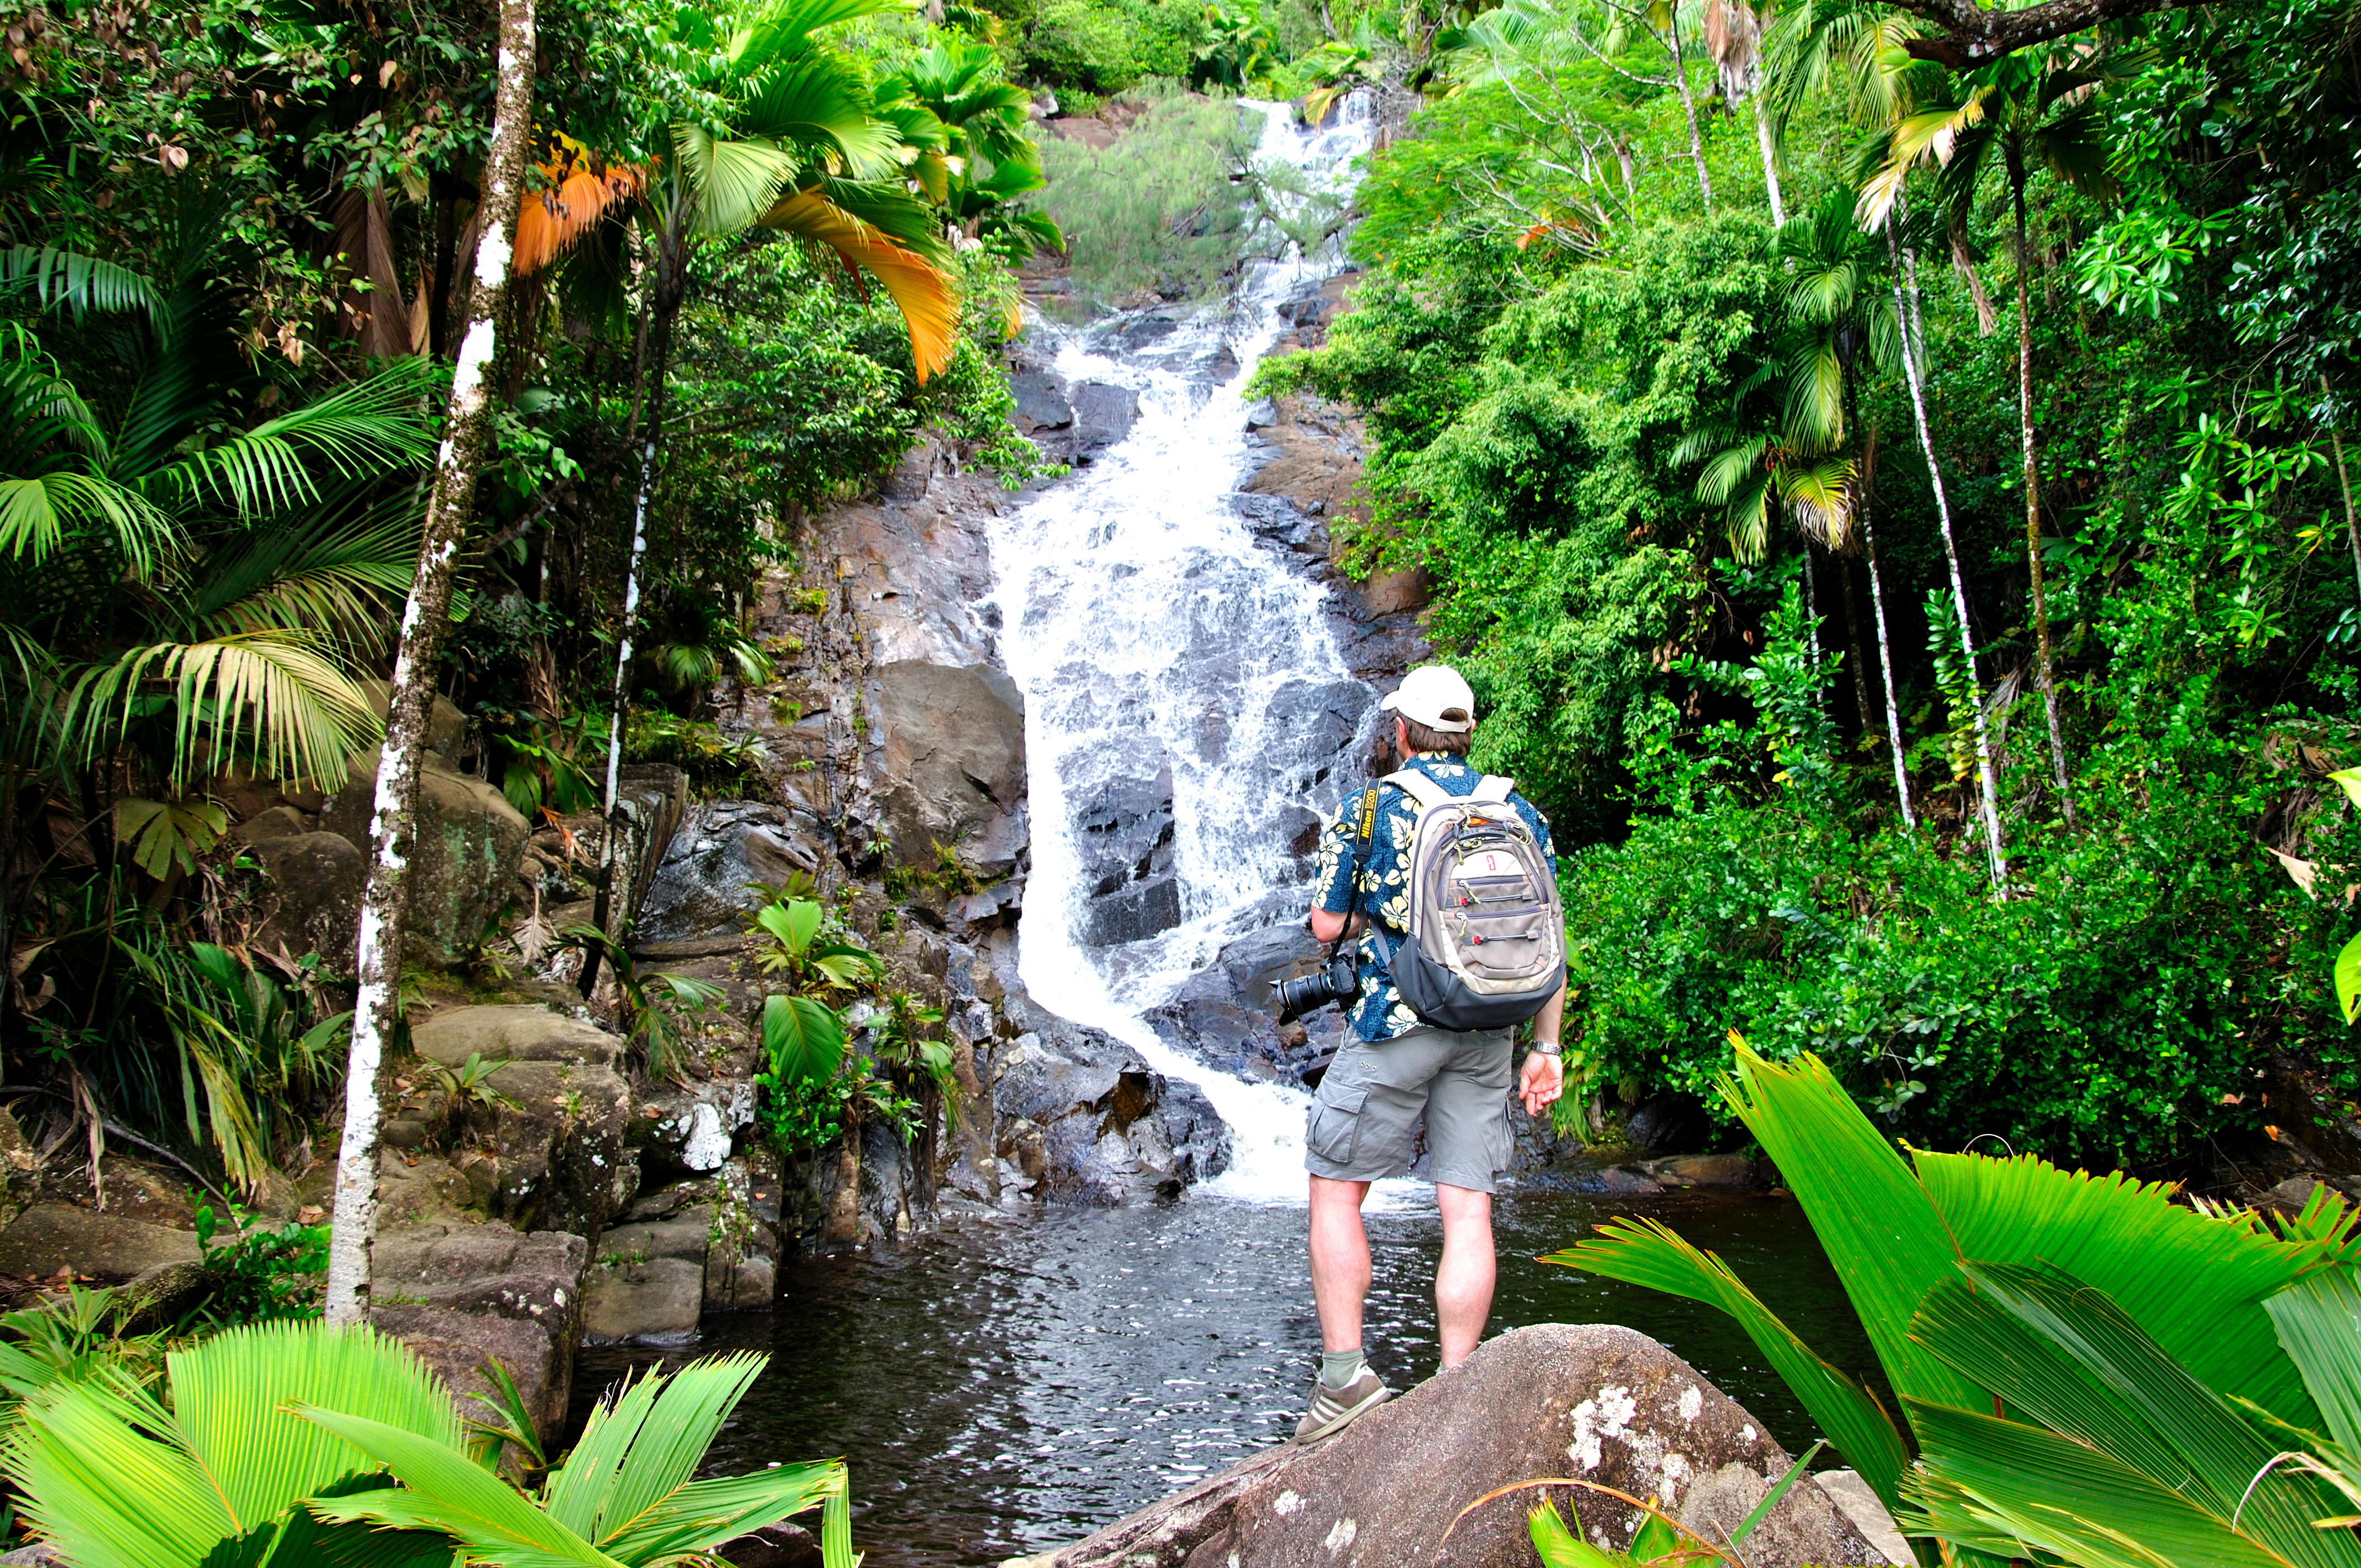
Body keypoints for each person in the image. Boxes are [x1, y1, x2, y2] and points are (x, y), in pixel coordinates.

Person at [1292, 663, 1566, 1443]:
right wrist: (1547, 1047)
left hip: (1395, 1023)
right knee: (1467, 1203)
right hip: (1492, 1028)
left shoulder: (1373, 806)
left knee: (1337, 1188)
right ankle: (1457, 1386)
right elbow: (1548, 934)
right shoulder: (1518, 810)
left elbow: (1324, 924)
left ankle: (1345, 1381)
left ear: (1402, 733)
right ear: (1469, 732)